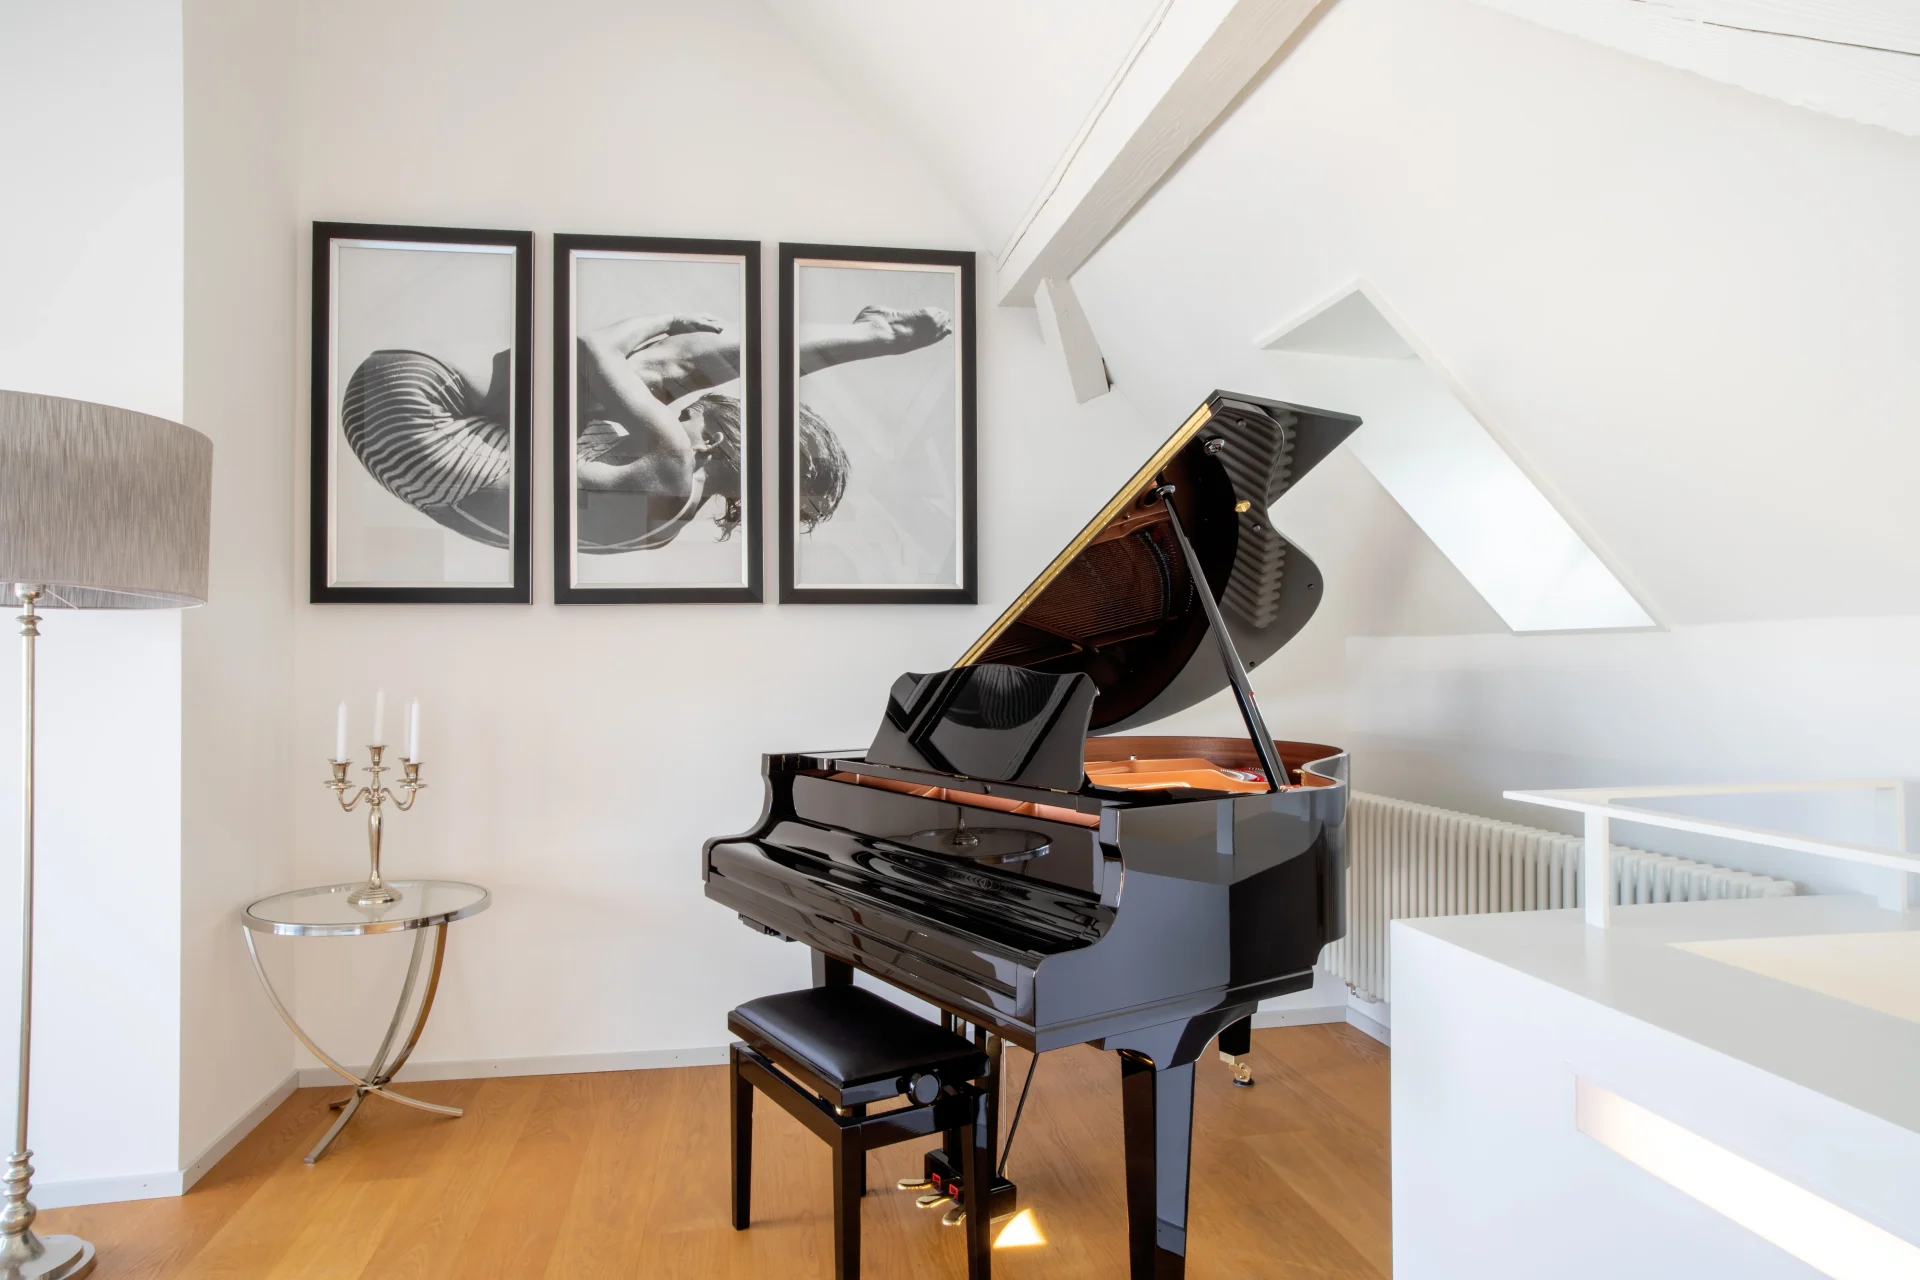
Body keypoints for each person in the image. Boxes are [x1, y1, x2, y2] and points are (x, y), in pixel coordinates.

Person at [339, 305, 951, 552]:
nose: (683, 416)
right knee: (632, 392)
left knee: (661, 369)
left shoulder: (673, 466)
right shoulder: (664, 528)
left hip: (409, 403)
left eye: (697, 416)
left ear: (719, 440)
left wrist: (662, 321)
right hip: (402, 458)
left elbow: (589, 346)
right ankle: (874, 336)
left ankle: (881, 335)